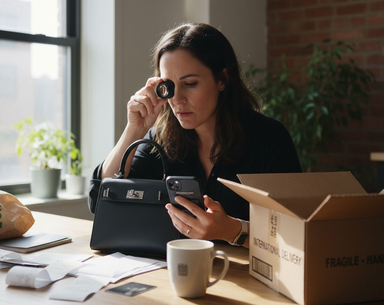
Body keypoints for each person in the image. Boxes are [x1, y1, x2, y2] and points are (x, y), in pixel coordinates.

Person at [90, 23, 301, 248]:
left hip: (247, 275)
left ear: (222, 80)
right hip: (175, 272)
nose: (177, 99)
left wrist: (234, 230)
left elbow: (297, 232)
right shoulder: (159, 139)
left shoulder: (269, 138)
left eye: (190, 84)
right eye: (169, 86)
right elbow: (100, 201)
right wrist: (134, 130)